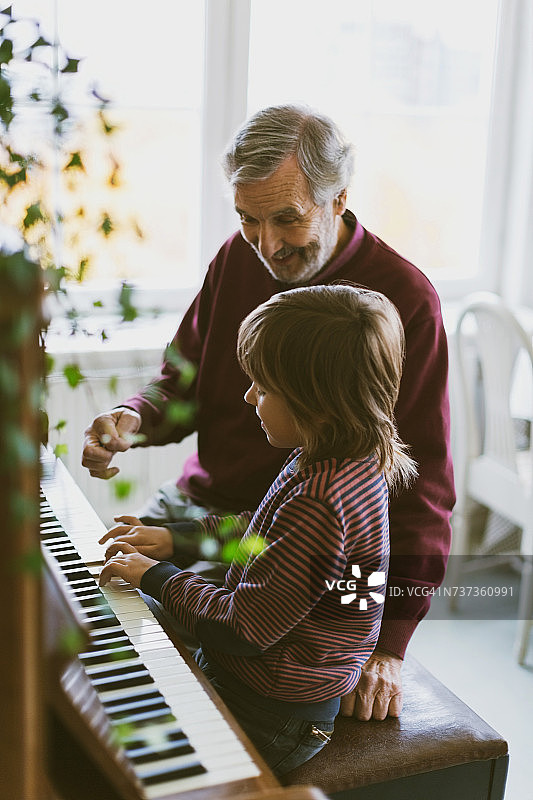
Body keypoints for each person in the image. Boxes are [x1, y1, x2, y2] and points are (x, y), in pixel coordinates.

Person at [82, 104, 455, 721]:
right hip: (216, 516)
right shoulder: (238, 257)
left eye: (287, 219)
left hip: (297, 544)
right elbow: (184, 379)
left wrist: (385, 643)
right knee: (86, 611)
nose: (267, 245)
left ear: (338, 200)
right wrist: (133, 417)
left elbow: (421, 489)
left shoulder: (403, 301)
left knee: (136, 679)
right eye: (248, 219)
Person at [99, 284, 418, 775]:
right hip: (263, 678)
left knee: (128, 753)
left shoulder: (323, 500)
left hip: (272, 712)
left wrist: (155, 575)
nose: (249, 396)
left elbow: (242, 628)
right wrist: (176, 538)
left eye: (264, 389)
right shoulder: (333, 459)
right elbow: (263, 530)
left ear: (319, 403)